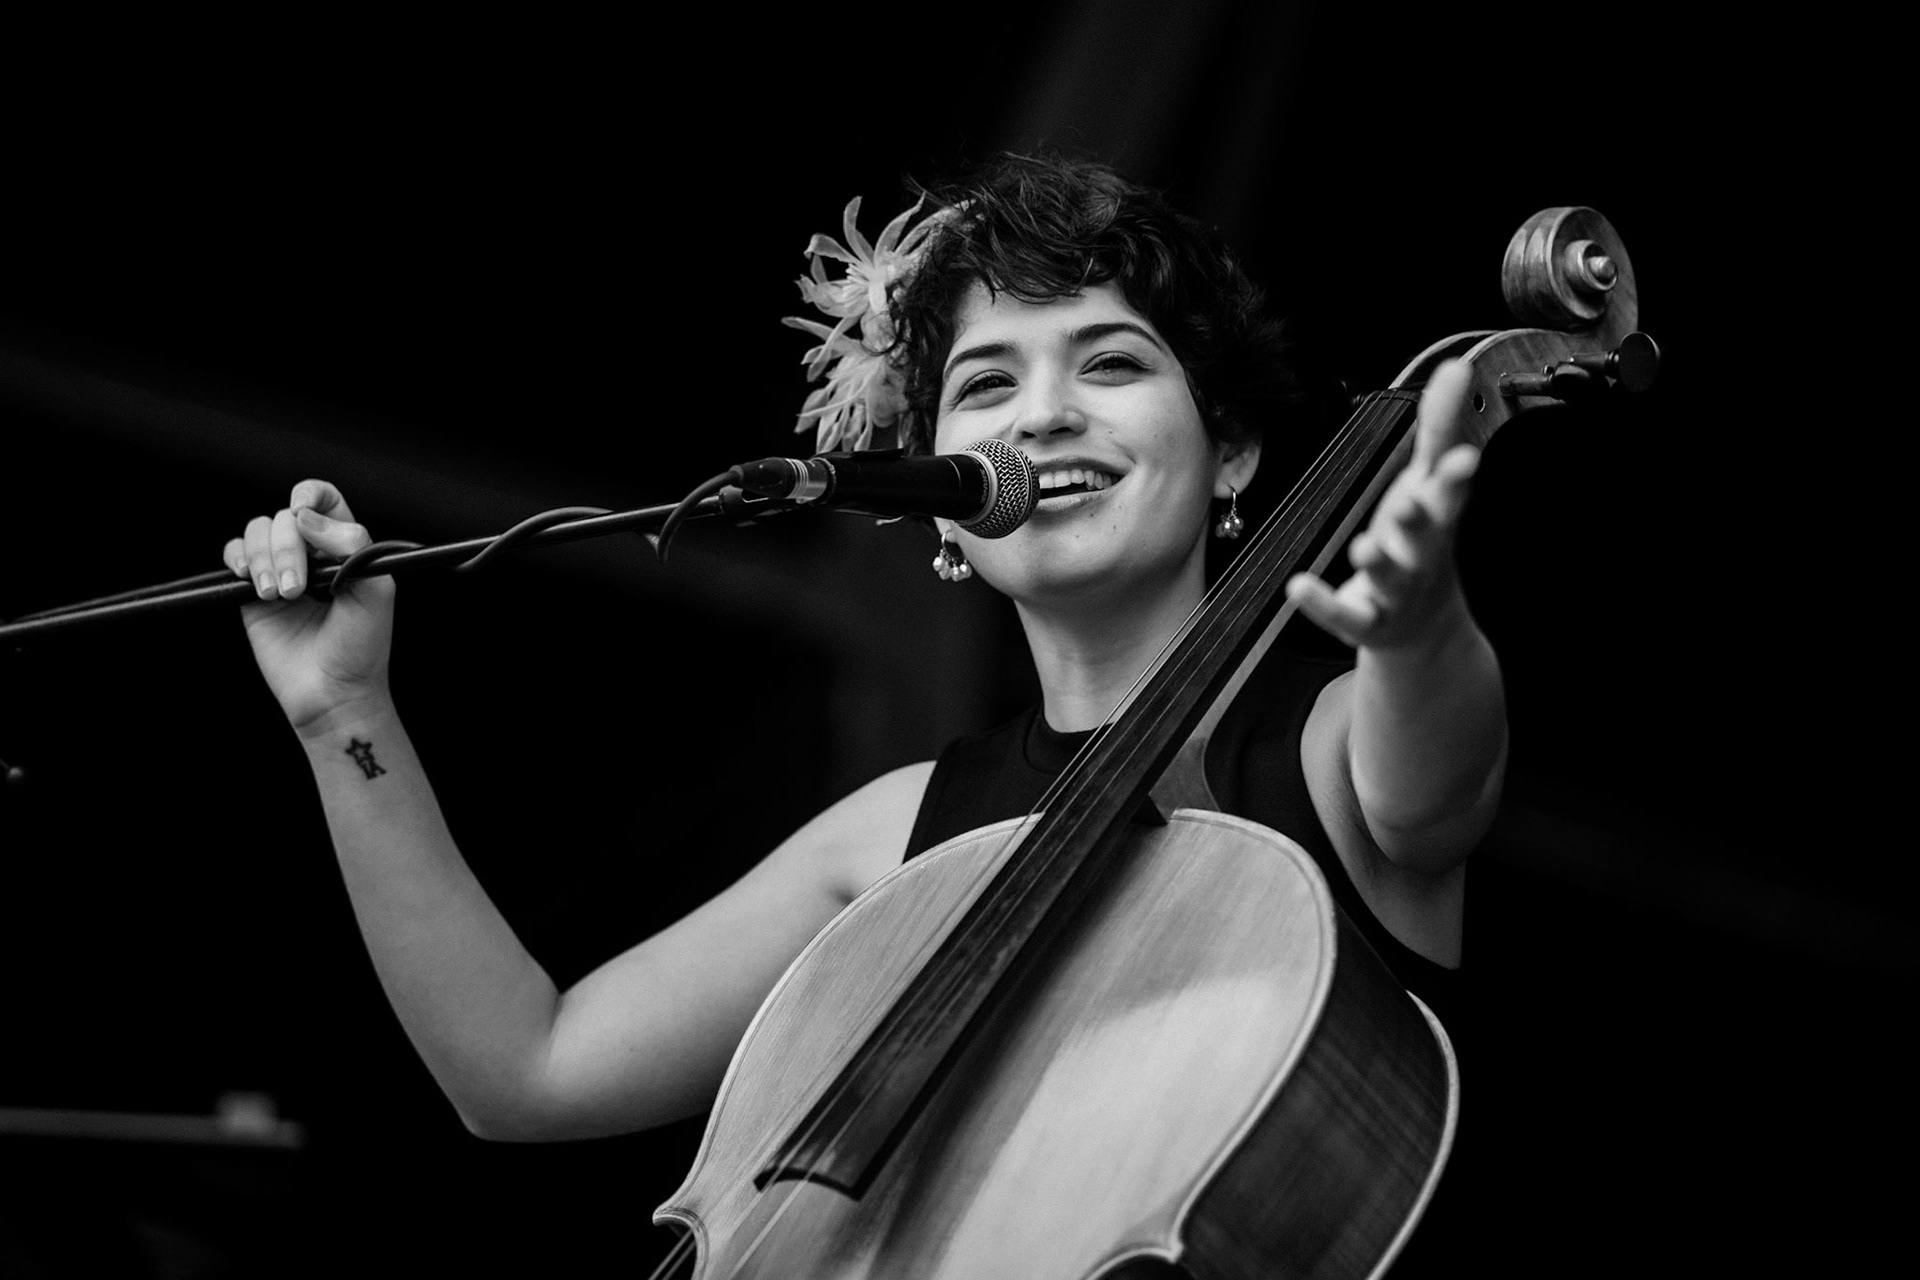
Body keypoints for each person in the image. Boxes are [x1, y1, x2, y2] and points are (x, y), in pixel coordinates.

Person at [223, 154, 1506, 1267]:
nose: (1046, 410)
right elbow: (523, 1072)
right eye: (988, 385)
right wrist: (344, 710)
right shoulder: (899, 835)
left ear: (1227, 451)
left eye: (1111, 361)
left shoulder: (1331, 739)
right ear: (945, 498)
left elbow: (1431, 771)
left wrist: (1421, 619)